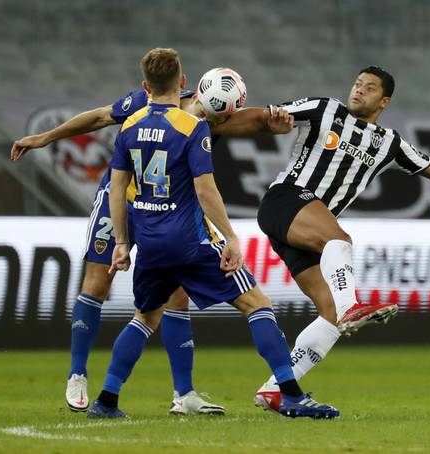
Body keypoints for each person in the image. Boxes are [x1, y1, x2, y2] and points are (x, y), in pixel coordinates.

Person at [10, 75, 294, 415]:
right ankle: (77, 372)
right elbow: (99, 117)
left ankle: (183, 394)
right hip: (120, 199)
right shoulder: (148, 105)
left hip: (162, 209)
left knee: (175, 296)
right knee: (98, 283)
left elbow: (252, 118)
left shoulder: (212, 119)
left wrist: (273, 122)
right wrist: (46, 137)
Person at [252, 66, 430, 411]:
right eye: (356, 84)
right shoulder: (325, 110)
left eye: (368, 88)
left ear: (384, 101)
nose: (358, 90)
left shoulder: (390, 144)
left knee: (329, 313)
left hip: (305, 229)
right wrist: (213, 119)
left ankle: (278, 389)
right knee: (339, 241)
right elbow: (265, 116)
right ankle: (353, 305)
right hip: (286, 200)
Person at [86, 47, 338, 419]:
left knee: (145, 317)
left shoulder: (130, 125)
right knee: (257, 305)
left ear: (145, 86)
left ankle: (106, 400)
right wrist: (231, 238)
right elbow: (206, 190)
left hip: (151, 243)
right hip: (189, 241)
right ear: (185, 83)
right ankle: (292, 395)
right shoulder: (193, 127)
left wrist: (123, 244)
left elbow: (118, 191)